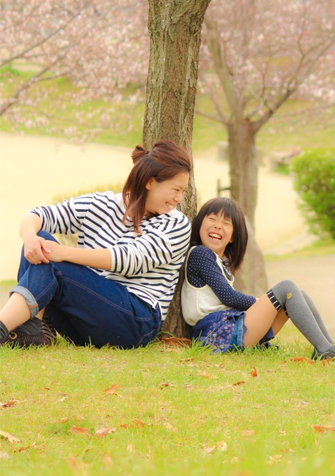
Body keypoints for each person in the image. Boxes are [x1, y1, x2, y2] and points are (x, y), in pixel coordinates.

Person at [0, 140, 193, 349]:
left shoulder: (176, 224)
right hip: (85, 318)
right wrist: (30, 237)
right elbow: (40, 215)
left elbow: (129, 259)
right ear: (150, 182)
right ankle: (32, 331)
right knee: (39, 240)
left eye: (183, 191)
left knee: (51, 258)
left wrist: (63, 253)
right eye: (176, 189)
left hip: (135, 321)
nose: (179, 198)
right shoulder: (103, 204)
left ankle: (10, 328)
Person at [182, 197, 335, 364]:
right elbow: (228, 297)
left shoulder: (220, 262)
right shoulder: (200, 253)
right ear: (200, 223)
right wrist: (264, 302)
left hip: (228, 329)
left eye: (226, 223)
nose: (217, 226)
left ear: (233, 237)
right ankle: (326, 350)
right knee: (286, 288)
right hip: (216, 332)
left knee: (299, 295)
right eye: (212, 219)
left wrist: (267, 305)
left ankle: (329, 347)